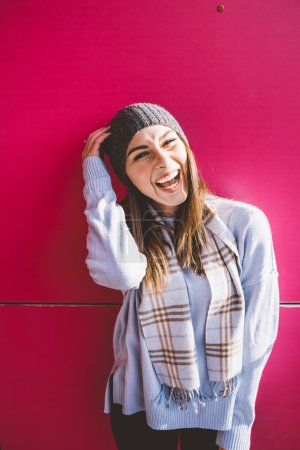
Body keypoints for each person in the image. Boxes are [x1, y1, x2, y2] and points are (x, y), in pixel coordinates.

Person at [81, 103, 280, 450]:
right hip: (139, 402)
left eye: (169, 142)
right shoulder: (122, 227)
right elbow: (122, 274)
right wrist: (97, 183)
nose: (162, 160)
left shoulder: (243, 223)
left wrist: (237, 427)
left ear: (186, 148)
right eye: (141, 154)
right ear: (127, 175)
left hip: (214, 404)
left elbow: (257, 334)